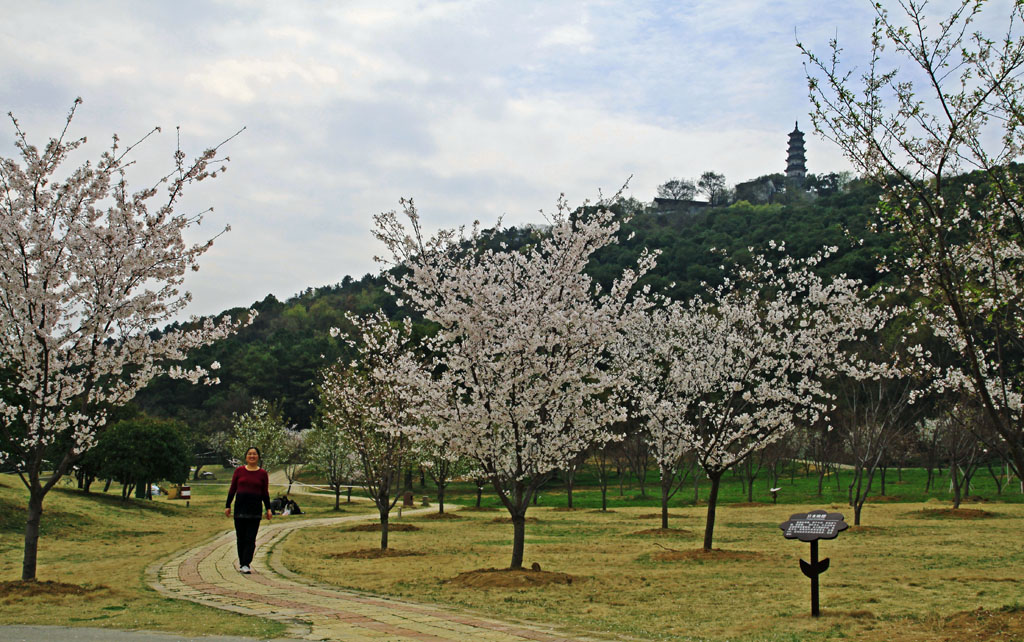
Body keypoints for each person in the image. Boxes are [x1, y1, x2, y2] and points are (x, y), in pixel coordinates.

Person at [224, 446, 272, 574]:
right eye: (250, 454)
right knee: (241, 537)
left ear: (258, 457)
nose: (252, 456)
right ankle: (242, 562)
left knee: (251, 538)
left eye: (254, 454)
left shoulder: (262, 473)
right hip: (240, 509)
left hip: (255, 510)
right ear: (246, 457)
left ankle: (246, 563)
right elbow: (232, 489)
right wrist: (227, 505)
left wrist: (268, 508)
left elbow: (264, 492)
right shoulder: (239, 471)